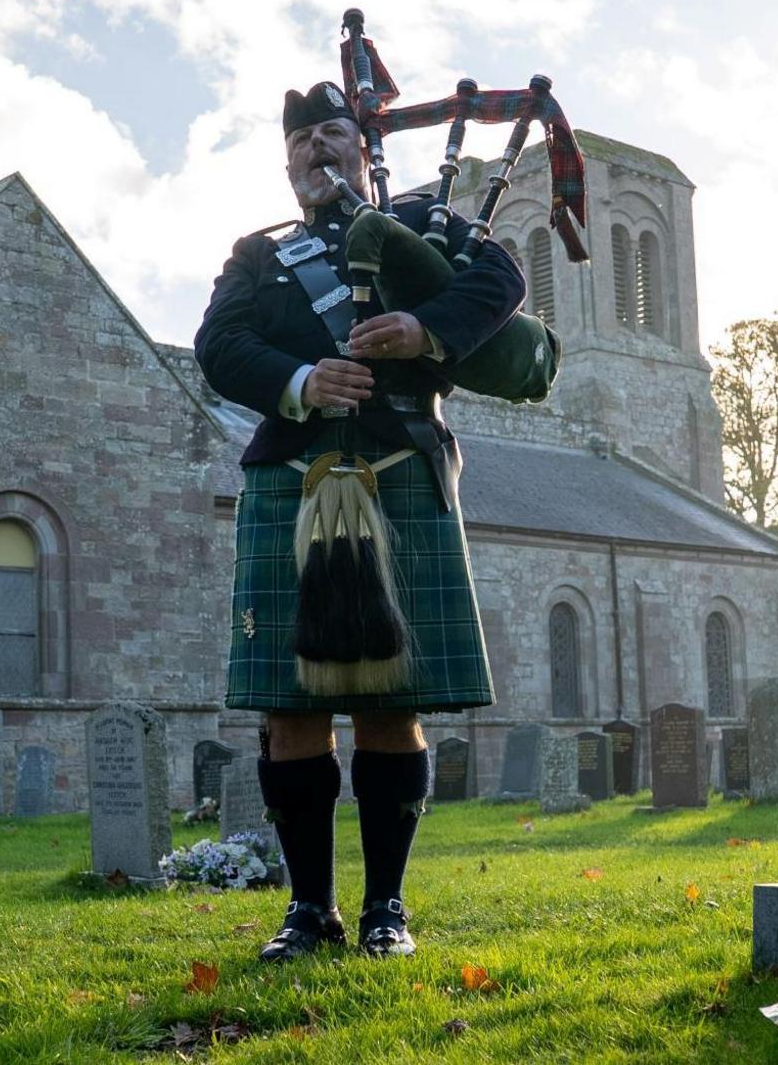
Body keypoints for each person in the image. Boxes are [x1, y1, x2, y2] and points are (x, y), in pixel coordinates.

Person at [193, 80, 524, 962]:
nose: (315, 152)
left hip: (400, 473)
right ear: (287, 160)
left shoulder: (426, 228)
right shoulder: (259, 256)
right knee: (287, 709)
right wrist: (301, 383)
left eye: (332, 134)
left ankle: (386, 909)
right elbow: (218, 347)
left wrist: (424, 329)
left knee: (393, 702)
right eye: (301, 142)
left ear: (362, 149)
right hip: (290, 483)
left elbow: (504, 277)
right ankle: (309, 910)